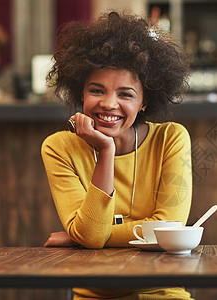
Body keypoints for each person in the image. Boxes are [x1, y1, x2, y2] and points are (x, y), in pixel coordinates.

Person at [41, 10, 193, 300]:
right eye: (96, 91)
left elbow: (168, 228)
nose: (109, 104)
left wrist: (84, 237)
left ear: (145, 100)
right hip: (93, 296)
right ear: (81, 94)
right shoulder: (59, 148)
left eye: (125, 94)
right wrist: (106, 150)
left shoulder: (171, 139)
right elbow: (96, 236)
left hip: (163, 293)